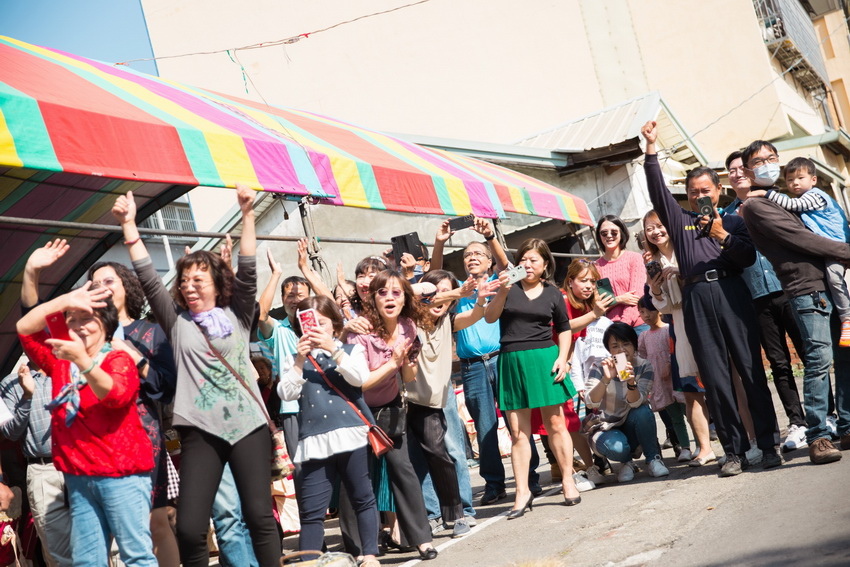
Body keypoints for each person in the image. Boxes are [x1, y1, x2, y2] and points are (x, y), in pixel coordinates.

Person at [113, 186, 281, 566]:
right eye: (185, 280)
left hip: (248, 425)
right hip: (199, 430)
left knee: (258, 516)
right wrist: (129, 225)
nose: (189, 286)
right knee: (189, 527)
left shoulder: (238, 315)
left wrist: (248, 213)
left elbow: (249, 264)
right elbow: (147, 276)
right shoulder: (176, 322)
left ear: (217, 284)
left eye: (198, 280)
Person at [640, 120, 781, 476]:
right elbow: (657, 191)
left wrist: (721, 235)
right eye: (693, 192)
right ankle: (733, 452)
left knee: (750, 371)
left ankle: (767, 446)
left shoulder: (735, 221)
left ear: (717, 190)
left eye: (705, 190)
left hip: (732, 293)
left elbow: (746, 258)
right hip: (697, 297)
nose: (699, 196)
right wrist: (652, 148)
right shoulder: (680, 222)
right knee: (715, 378)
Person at [17, 283, 156, 566]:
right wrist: (66, 298)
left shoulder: (118, 358)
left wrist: (83, 362)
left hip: (122, 476)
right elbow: (24, 328)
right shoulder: (59, 362)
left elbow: (115, 395)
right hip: (79, 477)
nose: (79, 326)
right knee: (87, 560)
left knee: (136, 556)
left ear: (105, 324)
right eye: (73, 320)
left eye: (87, 319)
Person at [740, 140, 850, 461]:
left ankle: (845, 424)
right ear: (749, 170)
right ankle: (817, 435)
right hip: (805, 289)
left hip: (829, 285)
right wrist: (846, 252)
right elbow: (800, 239)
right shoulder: (757, 207)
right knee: (817, 360)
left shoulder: (790, 199)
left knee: (844, 355)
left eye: (772, 158)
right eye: (759, 160)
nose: (767, 163)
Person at [429, 218, 542, 506]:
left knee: (517, 421)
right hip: (472, 367)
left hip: (502, 360)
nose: (471, 258)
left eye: (478, 254)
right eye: (467, 255)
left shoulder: (499, 282)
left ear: (489, 262)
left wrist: (490, 236)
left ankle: (529, 478)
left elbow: (511, 269)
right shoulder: (459, 289)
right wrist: (440, 242)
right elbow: (433, 279)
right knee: (484, 426)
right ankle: (494, 484)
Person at [87, 260, 180, 566]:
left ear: (126, 287)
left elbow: (166, 386)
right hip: (99, 441)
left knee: (156, 521)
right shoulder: (85, 335)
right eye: (95, 284)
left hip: (143, 435)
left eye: (109, 281)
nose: (102, 288)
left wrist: (130, 352)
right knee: (105, 532)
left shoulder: (149, 332)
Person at [278, 296, 380, 567]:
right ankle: (310, 562)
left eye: (321, 323)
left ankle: (369, 554)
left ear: (335, 325)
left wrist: (334, 349)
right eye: (309, 325)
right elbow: (286, 392)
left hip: (351, 434)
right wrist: (300, 360)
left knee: (362, 497)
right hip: (313, 441)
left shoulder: (350, 350)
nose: (315, 330)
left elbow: (360, 378)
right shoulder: (293, 359)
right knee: (311, 511)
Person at [484, 238, 580, 517]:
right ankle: (523, 492)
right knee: (518, 433)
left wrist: (563, 357)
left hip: (544, 360)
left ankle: (567, 479)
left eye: (533, 260)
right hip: (512, 360)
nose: (527, 264)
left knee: (556, 425)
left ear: (545, 265)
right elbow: (490, 318)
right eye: (523, 259)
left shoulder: (553, 293)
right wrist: (501, 291)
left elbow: (563, 328)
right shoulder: (509, 288)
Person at [347, 270, 438, 560]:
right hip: (357, 410)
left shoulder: (408, 327)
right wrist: (393, 362)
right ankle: (361, 548)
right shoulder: (359, 330)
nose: (390, 297)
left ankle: (422, 539)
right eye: (382, 292)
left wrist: (408, 360)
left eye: (396, 292)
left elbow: (408, 376)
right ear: (372, 298)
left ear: (404, 299)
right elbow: (361, 382)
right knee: (359, 478)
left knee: (404, 472)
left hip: (390, 408)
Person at [723, 151, 808, 452]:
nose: (736, 174)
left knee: (809, 351)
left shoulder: (774, 199)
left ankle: (824, 414)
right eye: (730, 170)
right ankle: (797, 423)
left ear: (749, 171)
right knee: (779, 363)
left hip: (788, 286)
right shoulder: (726, 217)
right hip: (755, 296)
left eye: (740, 168)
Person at [406, 269, 494, 538]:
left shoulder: (450, 320)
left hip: (439, 395)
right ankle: (432, 514)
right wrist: (455, 291)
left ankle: (461, 512)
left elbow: (476, 315)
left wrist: (478, 299)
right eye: (436, 291)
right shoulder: (409, 320)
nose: (441, 298)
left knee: (450, 452)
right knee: (417, 459)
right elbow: (408, 294)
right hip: (407, 398)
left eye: (448, 292)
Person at [749, 156, 850, 348]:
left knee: (835, 278)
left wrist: (765, 194)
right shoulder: (804, 198)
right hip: (832, 247)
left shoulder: (814, 196)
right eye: (790, 180)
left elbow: (792, 205)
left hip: (837, 245)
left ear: (813, 179)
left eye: (800, 178)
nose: (795, 182)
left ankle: (847, 318)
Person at [641, 211, 714, 466]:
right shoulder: (654, 261)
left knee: (720, 382)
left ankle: (739, 439)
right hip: (680, 325)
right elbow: (662, 306)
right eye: (650, 228)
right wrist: (656, 285)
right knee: (690, 389)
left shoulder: (689, 247)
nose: (656, 231)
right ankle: (704, 448)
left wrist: (681, 273)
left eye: (660, 225)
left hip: (707, 317)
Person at [584, 323, 668, 482]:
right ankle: (626, 462)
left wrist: (631, 382)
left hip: (631, 421)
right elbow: (591, 403)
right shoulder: (600, 366)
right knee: (616, 448)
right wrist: (606, 379)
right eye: (615, 346)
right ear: (609, 349)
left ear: (634, 345)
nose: (621, 350)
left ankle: (653, 459)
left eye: (626, 344)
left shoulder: (644, 365)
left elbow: (637, 402)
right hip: (606, 426)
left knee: (643, 411)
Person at [563, 258, 614, 485]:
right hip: (569, 373)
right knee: (572, 422)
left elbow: (614, 349)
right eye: (583, 281)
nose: (589, 286)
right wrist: (579, 385)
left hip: (599, 378)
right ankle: (589, 467)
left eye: (593, 281)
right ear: (570, 281)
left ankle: (614, 460)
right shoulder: (564, 305)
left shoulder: (598, 313)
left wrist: (625, 376)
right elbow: (569, 344)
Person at [636, 298, 689, 462]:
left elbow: (678, 349)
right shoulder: (644, 336)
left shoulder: (669, 330)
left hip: (677, 379)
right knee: (675, 418)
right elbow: (642, 357)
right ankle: (685, 447)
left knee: (690, 412)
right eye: (641, 312)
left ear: (658, 310)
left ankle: (702, 444)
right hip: (660, 383)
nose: (645, 316)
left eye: (648, 311)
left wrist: (668, 363)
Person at [593, 215, 646, 331]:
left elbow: (636, 298)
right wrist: (620, 299)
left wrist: (623, 325)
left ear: (622, 233)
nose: (609, 236)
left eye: (614, 232)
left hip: (639, 325)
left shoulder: (635, 259)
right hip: (610, 328)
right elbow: (598, 304)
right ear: (599, 236)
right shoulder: (595, 267)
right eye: (604, 233)